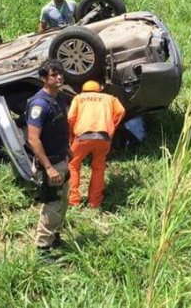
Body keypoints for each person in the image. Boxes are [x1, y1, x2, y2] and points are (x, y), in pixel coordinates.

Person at [26, 60, 70, 253]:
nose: (58, 77)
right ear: (44, 79)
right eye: (53, 75)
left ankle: (54, 236)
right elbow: (33, 140)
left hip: (62, 158)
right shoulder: (39, 105)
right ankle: (43, 248)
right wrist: (49, 167)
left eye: (60, 73)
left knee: (63, 200)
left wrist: (67, 148)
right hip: (50, 163)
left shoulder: (59, 98)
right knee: (52, 205)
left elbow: (59, 127)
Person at [67, 80, 125, 208]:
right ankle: (94, 203)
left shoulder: (79, 98)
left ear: (83, 90)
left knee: (73, 165)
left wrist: (71, 135)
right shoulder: (110, 98)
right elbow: (121, 111)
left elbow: (70, 118)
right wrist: (112, 126)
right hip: (104, 137)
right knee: (98, 168)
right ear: (99, 90)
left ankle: (73, 201)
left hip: (82, 137)